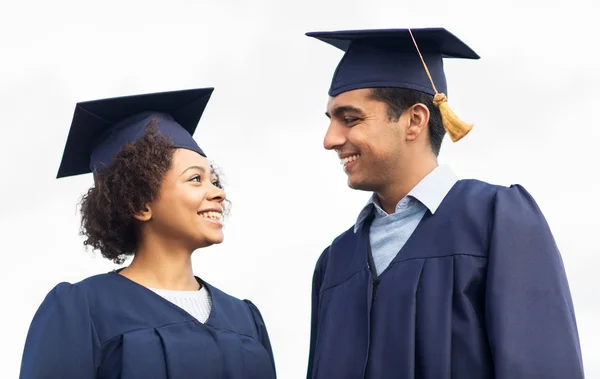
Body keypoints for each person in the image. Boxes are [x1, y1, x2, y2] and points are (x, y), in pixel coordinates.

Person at [304, 27, 584, 379]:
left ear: (414, 120)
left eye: (350, 119)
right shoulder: (335, 262)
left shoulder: (495, 220)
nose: (330, 140)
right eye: (331, 121)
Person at [19, 88, 277, 379]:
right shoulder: (82, 310)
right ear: (140, 203)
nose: (218, 193)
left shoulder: (245, 319)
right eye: (195, 179)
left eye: (214, 180)